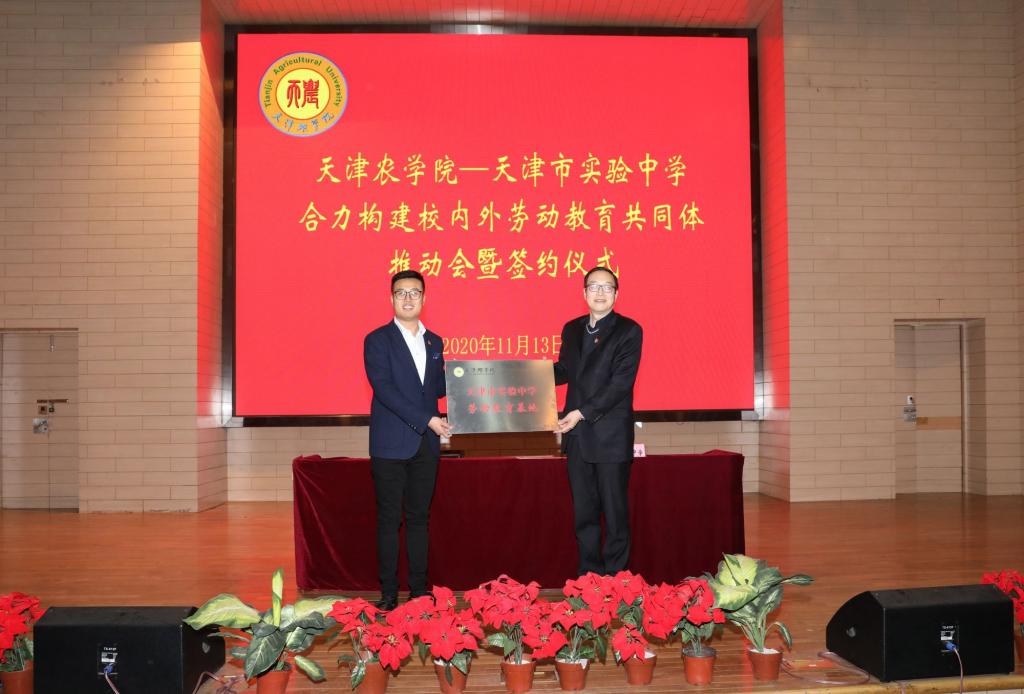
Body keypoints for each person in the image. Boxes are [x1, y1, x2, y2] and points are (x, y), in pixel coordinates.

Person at [364, 269, 451, 610]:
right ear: (391, 299)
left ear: (424, 298)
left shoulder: (435, 342)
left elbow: (438, 388)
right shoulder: (377, 340)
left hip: (425, 445)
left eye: (415, 292)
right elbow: (385, 390)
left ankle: (419, 590)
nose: (408, 298)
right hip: (390, 444)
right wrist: (428, 419)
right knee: (389, 520)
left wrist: (469, 383)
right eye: (401, 293)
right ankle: (388, 593)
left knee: (419, 519)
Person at [553, 266, 643, 576]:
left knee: (615, 516)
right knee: (584, 516)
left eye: (607, 287)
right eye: (594, 286)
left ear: (616, 294)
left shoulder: (629, 330)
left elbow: (620, 385)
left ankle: (617, 582)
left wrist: (580, 413)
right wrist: (528, 374)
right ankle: (588, 581)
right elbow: (564, 370)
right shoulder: (572, 329)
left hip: (610, 437)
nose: (600, 292)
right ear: (584, 293)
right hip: (578, 438)